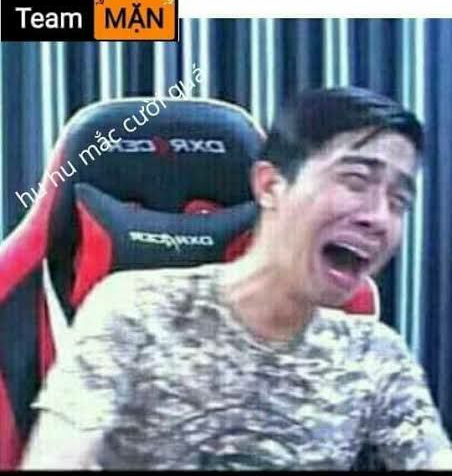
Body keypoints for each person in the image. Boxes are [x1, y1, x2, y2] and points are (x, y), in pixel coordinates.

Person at [21, 87, 452, 470]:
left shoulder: (375, 355)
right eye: (355, 181)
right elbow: (57, 457)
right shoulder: (134, 312)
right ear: (270, 185)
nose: (379, 218)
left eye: (399, 201)